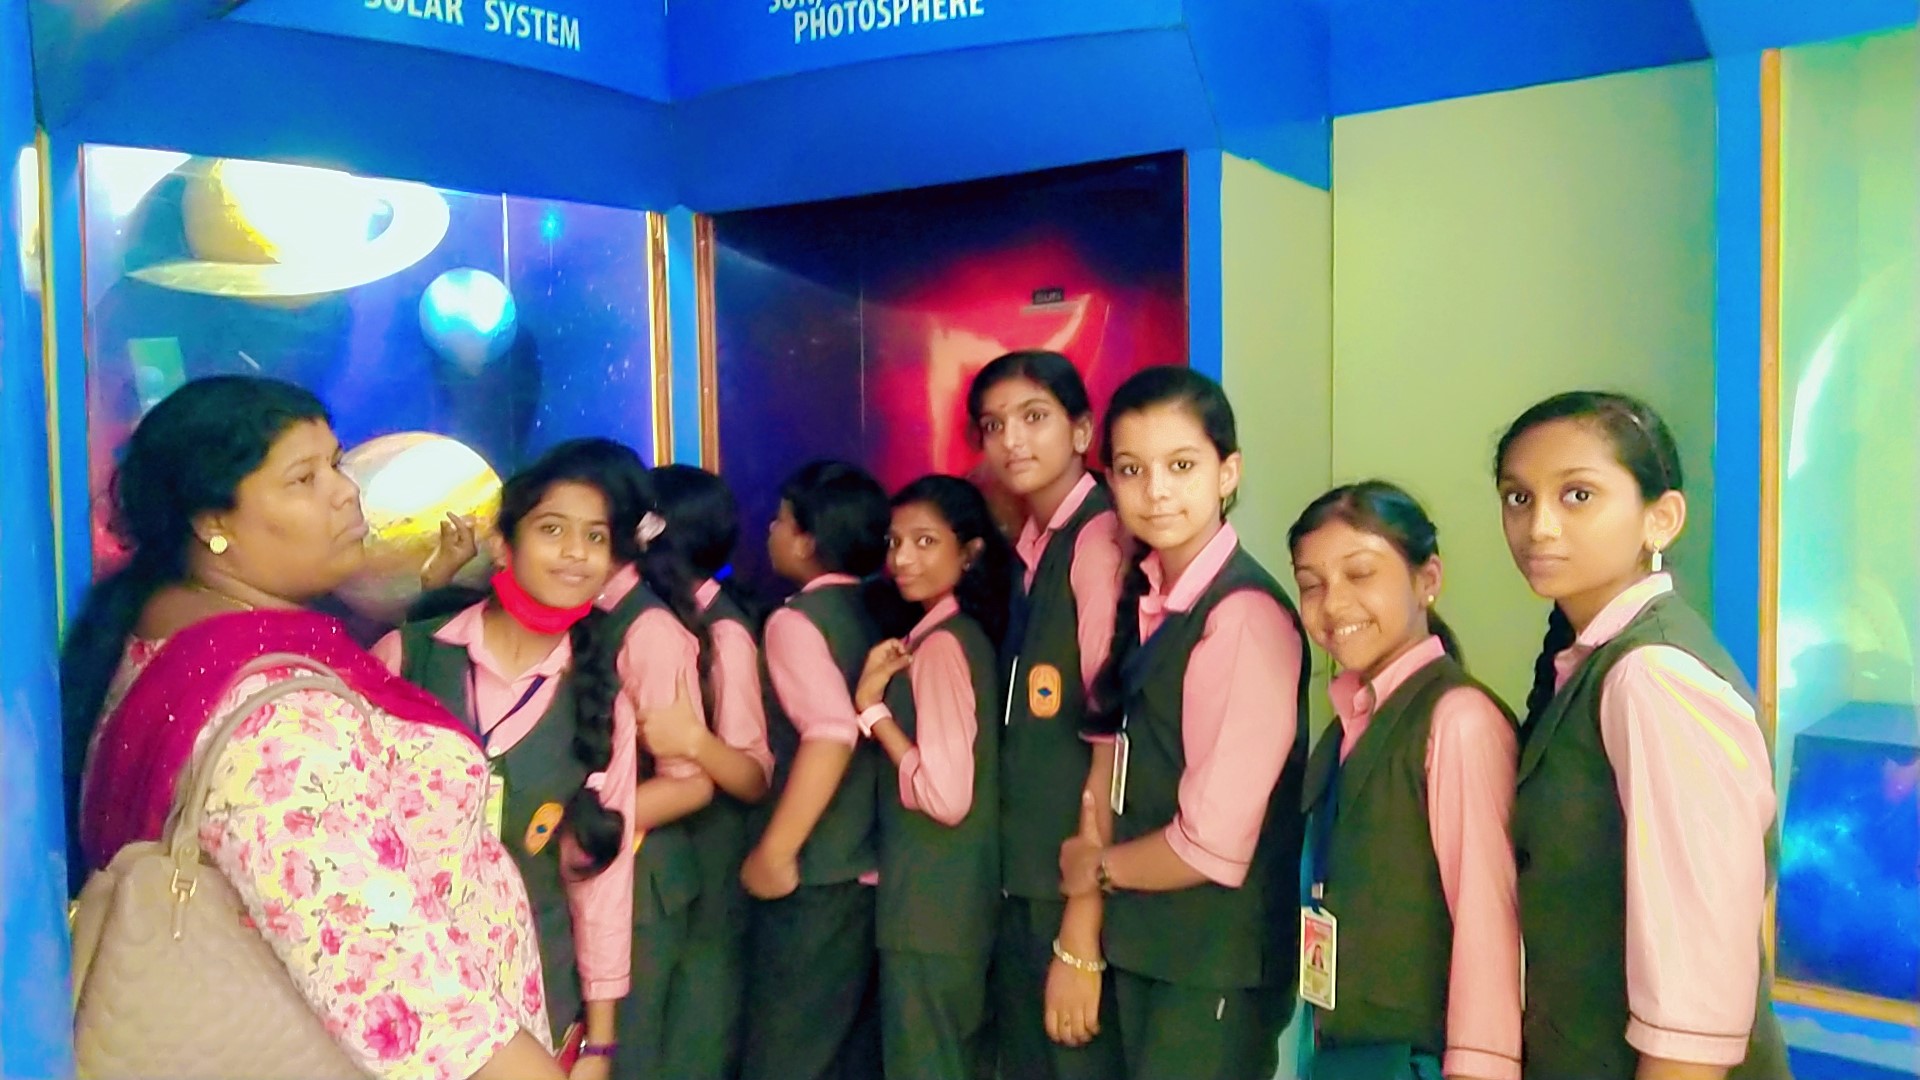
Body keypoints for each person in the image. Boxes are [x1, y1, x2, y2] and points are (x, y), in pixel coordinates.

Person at [66, 375, 565, 1079]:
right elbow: (384, 970)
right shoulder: (276, 720)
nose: (344, 492)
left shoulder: (179, 634)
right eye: (303, 479)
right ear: (211, 522)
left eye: (335, 462)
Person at [1492, 391, 1788, 1080]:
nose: (1539, 526)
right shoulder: (1589, 658)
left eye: (1578, 495)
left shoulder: (1653, 676)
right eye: (1518, 498)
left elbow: (1696, 999)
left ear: (1662, 518)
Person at [1054, 366, 1308, 1080]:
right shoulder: (1151, 598)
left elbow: (1212, 847)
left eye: (1182, 466)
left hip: (1210, 963)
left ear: (1229, 473)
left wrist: (1095, 871)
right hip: (1149, 946)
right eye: (1132, 469)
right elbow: (1115, 763)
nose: (1156, 490)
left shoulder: (1242, 617)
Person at [375, 439, 647, 1077]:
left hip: (533, 994)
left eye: (596, 537)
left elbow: (603, 884)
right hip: (400, 988)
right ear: (503, 545)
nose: (575, 552)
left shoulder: (603, 701)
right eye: (552, 529)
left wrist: (599, 1045)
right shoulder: (407, 657)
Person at [1288, 480, 1522, 1080]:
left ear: (1427, 579)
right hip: (1345, 1055)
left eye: (1360, 574)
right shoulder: (1347, 725)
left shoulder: (1459, 721)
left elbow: (1488, 923)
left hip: (1418, 1062)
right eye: (1312, 584)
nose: (1333, 604)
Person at [966, 351, 1127, 1080]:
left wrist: (1081, 930)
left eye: (1034, 418)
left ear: (1082, 430)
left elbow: (1112, 734)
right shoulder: (1034, 547)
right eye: (994, 425)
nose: (1012, 440)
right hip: (1030, 874)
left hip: (1075, 880)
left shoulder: (1097, 541)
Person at [852, 475, 1013, 1079]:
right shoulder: (955, 634)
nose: (902, 559)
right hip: (953, 905)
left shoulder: (942, 647)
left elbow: (946, 796)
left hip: (930, 907)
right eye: (895, 542)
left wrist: (873, 713)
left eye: (925, 542)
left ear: (968, 553)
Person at [737, 461, 893, 1080]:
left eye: (780, 521)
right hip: (874, 867)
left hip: (817, 873)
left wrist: (775, 853)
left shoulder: (795, 620)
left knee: (788, 1052)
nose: (770, 531)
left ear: (806, 540)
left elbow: (830, 733)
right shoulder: (880, 609)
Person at [640, 464, 775, 1080]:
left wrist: (692, 740)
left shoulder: (724, 634)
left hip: (710, 854)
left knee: (695, 1026)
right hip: (661, 859)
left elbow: (753, 776)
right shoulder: (654, 618)